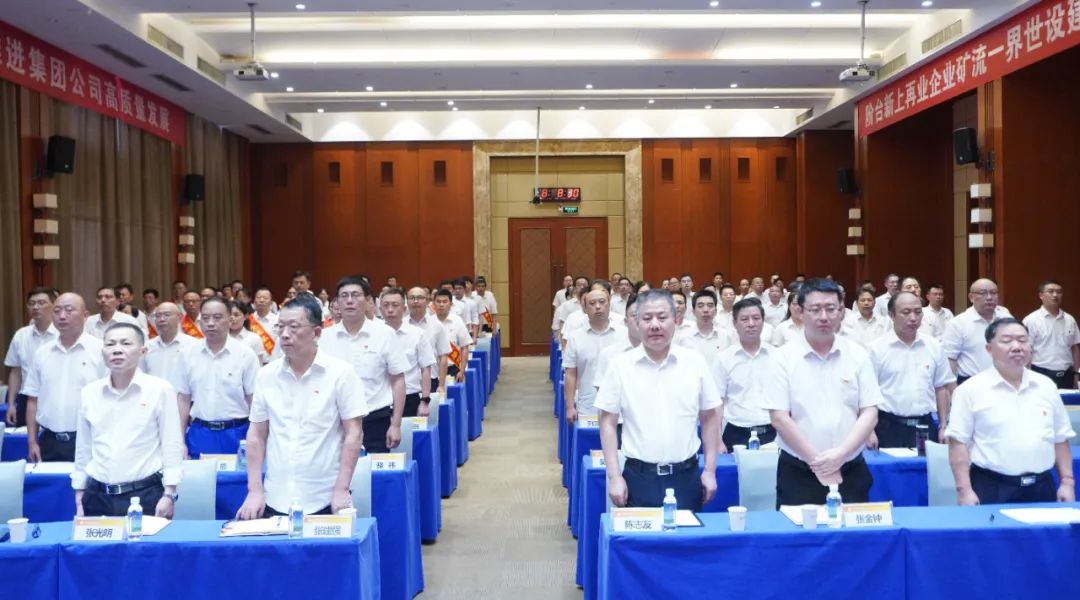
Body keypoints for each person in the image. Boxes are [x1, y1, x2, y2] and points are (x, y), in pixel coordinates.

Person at [236, 294, 366, 519]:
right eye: (281, 327)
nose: (285, 334)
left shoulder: (341, 374)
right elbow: (256, 434)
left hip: (325, 497)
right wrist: (254, 490)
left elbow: (354, 434)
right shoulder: (266, 375)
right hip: (275, 496)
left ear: (316, 333)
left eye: (294, 327)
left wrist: (342, 489)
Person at [595, 289, 722, 512]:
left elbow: (710, 417)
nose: (655, 325)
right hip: (639, 477)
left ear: (676, 320)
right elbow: (607, 423)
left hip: (686, 475)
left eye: (662, 317)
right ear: (636, 322)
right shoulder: (620, 365)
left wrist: (710, 471)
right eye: (647, 318)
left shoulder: (694, 362)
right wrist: (614, 476)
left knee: (687, 534)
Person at [763, 278, 882, 507]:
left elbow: (870, 412)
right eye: (815, 309)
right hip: (799, 473)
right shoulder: (781, 358)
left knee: (853, 530)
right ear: (800, 312)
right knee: (799, 531)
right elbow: (779, 418)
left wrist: (840, 455)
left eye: (830, 309)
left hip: (850, 470)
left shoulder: (858, 355)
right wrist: (819, 464)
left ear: (841, 311)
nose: (824, 317)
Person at [946, 318, 1075, 505]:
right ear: (989, 349)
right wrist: (964, 490)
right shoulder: (969, 390)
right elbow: (957, 443)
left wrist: (1067, 482)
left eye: (1023, 340)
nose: (1016, 347)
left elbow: (1060, 438)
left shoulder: (1046, 386)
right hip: (992, 486)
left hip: (1041, 485)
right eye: (1007, 341)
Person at [72, 323, 182, 518]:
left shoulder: (160, 390)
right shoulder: (89, 393)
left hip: (144, 494)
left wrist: (169, 494)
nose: (117, 350)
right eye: (110, 344)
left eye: (126, 343)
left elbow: (171, 444)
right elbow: (83, 447)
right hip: (97, 495)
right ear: (103, 351)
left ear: (143, 351)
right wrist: (80, 494)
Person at [321, 277, 409, 454]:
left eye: (355, 295)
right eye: (344, 296)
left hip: (375, 419)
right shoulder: (324, 337)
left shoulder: (385, 334)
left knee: (372, 470)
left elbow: (398, 380)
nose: (349, 300)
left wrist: (396, 424)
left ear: (368, 300)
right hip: (334, 422)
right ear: (336, 302)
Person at [23, 293, 107, 462]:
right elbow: (33, 400)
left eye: (69, 310)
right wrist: (32, 442)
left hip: (90, 440)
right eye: (57, 311)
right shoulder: (42, 353)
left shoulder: (101, 351)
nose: (62, 316)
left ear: (85, 315)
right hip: (49, 441)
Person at [867, 292, 955, 448]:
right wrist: (869, 431)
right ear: (891, 315)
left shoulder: (934, 346)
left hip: (926, 424)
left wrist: (943, 425)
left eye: (918, 312)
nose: (913, 318)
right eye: (906, 312)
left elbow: (941, 388)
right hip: (889, 426)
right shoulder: (876, 349)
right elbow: (867, 393)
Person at [177, 297, 260, 458]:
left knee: (238, 475)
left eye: (217, 317)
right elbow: (183, 400)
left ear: (229, 319)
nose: (210, 323)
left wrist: (258, 439)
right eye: (205, 318)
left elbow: (254, 400)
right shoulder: (188, 354)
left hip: (237, 432)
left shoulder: (245, 354)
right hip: (200, 433)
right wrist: (179, 441)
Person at [716, 298, 777, 448]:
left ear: (763, 321)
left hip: (773, 434)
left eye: (756, 318)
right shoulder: (723, 359)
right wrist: (717, 440)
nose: (751, 324)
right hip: (736, 434)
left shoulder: (778, 356)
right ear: (735, 323)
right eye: (744, 319)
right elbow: (717, 403)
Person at [563, 285, 625, 423]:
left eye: (602, 302)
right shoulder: (575, 337)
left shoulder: (625, 334)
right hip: (588, 405)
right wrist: (569, 407)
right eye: (592, 303)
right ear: (584, 308)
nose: (598, 306)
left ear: (609, 305)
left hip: (620, 407)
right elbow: (570, 373)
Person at [5, 287, 59, 427]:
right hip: (26, 397)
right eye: (31, 303)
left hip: (56, 397)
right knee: (25, 437)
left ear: (54, 305)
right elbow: (15, 372)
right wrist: (11, 404)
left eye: (41, 303)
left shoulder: (62, 334)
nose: (35, 307)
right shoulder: (21, 335)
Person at [943, 278, 1012, 385]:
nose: (989, 297)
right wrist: (953, 389)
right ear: (971, 297)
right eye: (983, 293)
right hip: (971, 382)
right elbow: (950, 359)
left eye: (993, 293)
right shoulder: (957, 323)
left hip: (1005, 381)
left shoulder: (1007, 319)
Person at [381, 288, 436, 417]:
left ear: (404, 308)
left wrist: (425, 401)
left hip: (410, 396)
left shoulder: (417, 334)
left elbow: (426, 369)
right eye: (386, 305)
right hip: (381, 400)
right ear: (380, 308)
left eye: (395, 305)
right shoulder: (373, 335)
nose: (390, 310)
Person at [1022, 280, 1080, 389]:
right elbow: (1026, 350)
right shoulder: (1031, 320)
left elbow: (1075, 348)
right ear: (1041, 295)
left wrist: (1077, 375)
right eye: (1050, 291)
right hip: (1040, 374)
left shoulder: (1069, 319)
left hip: (1067, 375)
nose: (1055, 295)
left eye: (1059, 292)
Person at [141, 302, 197, 393]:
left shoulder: (193, 345)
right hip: (153, 398)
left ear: (179, 317)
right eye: (158, 316)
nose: (162, 319)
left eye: (167, 315)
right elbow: (142, 375)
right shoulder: (147, 346)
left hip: (182, 398)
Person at [407, 286, 450, 393]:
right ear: (406, 302)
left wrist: (441, 385)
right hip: (407, 381)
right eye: (412, 298)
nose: (416, 301)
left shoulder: (437, 325)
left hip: (432, 379)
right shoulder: (401, 325)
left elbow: (443, 356)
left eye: (420, 297)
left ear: (427, 301)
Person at [676, 289, 734, 361]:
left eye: (710, 306)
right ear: (693, 311)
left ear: (716, 311)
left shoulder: (726, 336)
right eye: (700, 306)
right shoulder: (683, 337)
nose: (706, 310)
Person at [433, 288, 473, 381]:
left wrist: (462, 371)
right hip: (433, 371)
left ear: (451, 304)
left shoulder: (457, 321)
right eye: (438, 301)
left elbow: (464, 347)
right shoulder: (429, 322)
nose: (441, 304)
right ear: (434, 304)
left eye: (445, 301)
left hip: (453, 368)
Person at [228, 300, 270, 365]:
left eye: (236, 315)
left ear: (245, 316)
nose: (232, 318)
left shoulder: (254, 338)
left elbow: (259, 365)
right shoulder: (220, 338)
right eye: (229, 315)